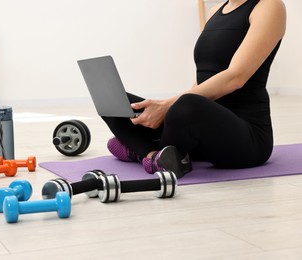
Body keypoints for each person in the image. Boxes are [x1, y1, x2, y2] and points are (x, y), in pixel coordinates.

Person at [101, 0, 287, 179]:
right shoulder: (215, 11)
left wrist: (168, 106)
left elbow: (236, 77)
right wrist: (164, 107)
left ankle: (142, 149)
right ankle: (153, 156)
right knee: (111, 98)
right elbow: (202, 79)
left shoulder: (269, 6)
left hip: (247, 136)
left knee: (186, 105)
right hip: (203, 126)